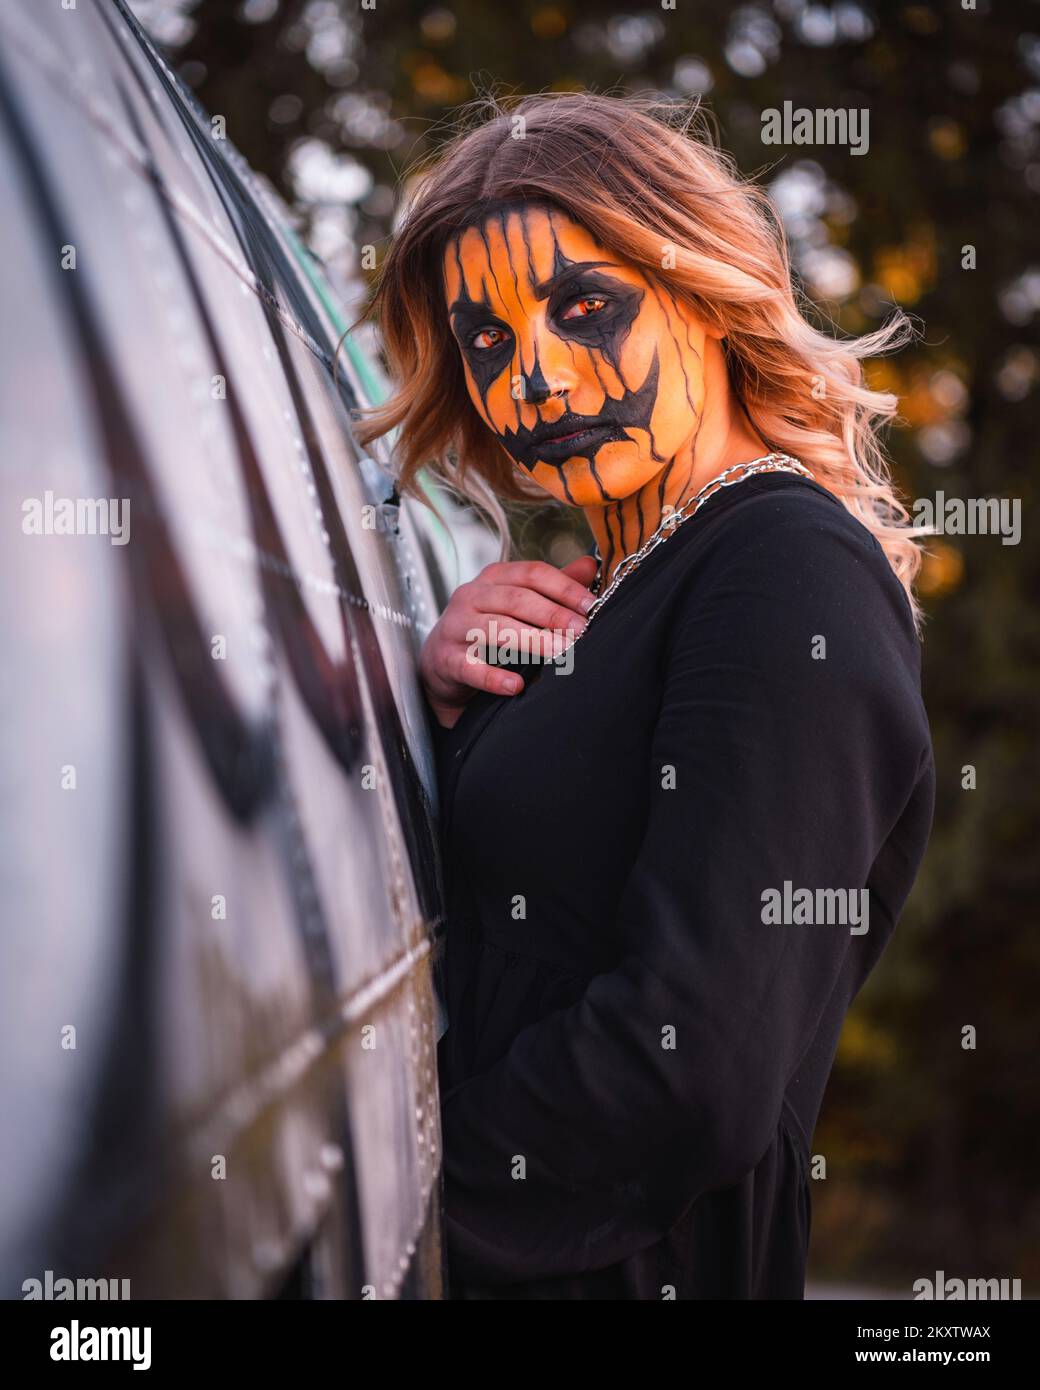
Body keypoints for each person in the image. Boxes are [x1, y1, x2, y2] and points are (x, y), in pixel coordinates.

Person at [351, 91, 936, 1299]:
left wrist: (379, 1218)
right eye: (489, 340)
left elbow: (696, 1063)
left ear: (707, 296)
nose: (538, 378)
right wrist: (449, 704)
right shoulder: (613, 589)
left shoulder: (781, 566)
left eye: (583, 307)